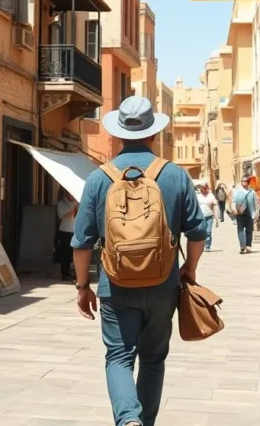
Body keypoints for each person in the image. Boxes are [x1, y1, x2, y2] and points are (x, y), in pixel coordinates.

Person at [72, 96, 207, 426]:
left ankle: (128, 420)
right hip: (164, 285)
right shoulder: (174, 176)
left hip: (115, 286)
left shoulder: (99, 179)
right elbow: (198, 232)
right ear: (153, 133)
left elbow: (81, 244)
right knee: (153, 357)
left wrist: (82, 286)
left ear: (118, 134)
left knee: (118, 356)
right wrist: (189, 269)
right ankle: (143, 422)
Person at [55, 188, 78, 281]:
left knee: (76, 253)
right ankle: (65, 274)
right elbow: (67, 216)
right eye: (70, 194)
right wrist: (74, 207)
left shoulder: (77, 203)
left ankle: (76, 273)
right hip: (66, 231)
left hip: (76, 231)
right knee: (66, 253)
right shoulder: (62, 204)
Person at [230, 177, 258, 254]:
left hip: (250, 214)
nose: (244, 182)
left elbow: (256, 204)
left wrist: (256, 213)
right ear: (241, 182)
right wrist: (234, 209)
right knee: (240, 230)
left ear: (248, 182)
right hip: (240, 214)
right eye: (243, 181)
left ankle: (248, 245)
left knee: (249, 230)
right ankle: (242, 246)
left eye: (246, 181)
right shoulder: (237, 192)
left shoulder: (252, 192)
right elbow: (233, 202)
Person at [196, 183, 220, 252]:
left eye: (205, 188)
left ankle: (207, 246)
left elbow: (214, 207)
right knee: (201, 231)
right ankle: (201, 245)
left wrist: (217, 219)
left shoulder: (211, 196)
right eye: (202, 188)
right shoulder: (198, 196)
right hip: (200, 217)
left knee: (208, 231)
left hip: (209, 216)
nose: (204, 189)